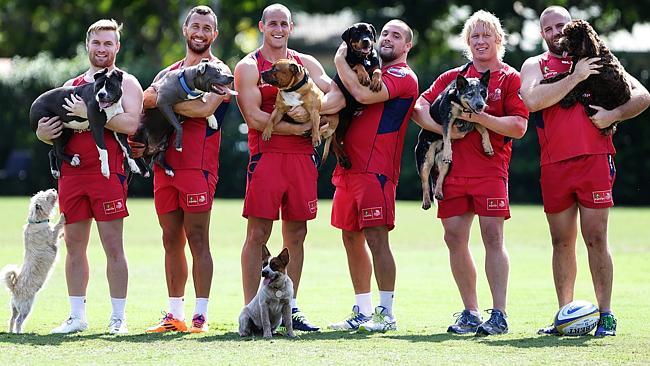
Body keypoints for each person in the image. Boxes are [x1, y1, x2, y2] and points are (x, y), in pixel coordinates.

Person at [520, 6, 650, 337]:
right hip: (554, 164)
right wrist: (575, 77)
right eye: (549, 29)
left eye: (561, 26)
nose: (556, 33)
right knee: (561, 242)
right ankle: (565, 316)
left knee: (595, 238)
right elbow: (532, 101)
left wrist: (614, 114)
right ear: (541, 34)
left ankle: (605, 314)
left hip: (594, 160)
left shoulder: (596, 55)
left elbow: (642, 95)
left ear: (573, 27)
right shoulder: (535, 65)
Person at [412, 10, 528, 336]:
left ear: (497, 40)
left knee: (493, 238)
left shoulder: (509, 78)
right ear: (468, 42)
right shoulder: (453, 78)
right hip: (451, 173)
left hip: (490, 171)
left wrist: (479, 119)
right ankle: (471, 312)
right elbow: (419, 108)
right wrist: (447, 132)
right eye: (474, 36)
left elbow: (518, 127)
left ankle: (499, 314)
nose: (480, 41)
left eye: (486, 35)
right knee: (454, 239)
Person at [234, 3, 343, 332]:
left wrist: (312, 108)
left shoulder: (305, 63)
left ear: (291, 27)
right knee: (257, 235)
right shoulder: (249, 66)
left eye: (284, 23)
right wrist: (302, 127)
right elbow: (254, 118)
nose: (278, 28)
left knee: (296, 234)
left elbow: (337, 96)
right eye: (272, 24)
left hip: (301, 160)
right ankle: (253, 310)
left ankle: (290, 309)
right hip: (267, 156)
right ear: (262, 27)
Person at [35, 19, 143, 334]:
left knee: (113, 247)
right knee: (74, 246)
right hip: (72, 173)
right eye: (97, 43)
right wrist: (43, 134)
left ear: (117, 47)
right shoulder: (73, 83)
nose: (102, 49)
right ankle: (76, 316)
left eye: (108, 43)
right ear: (88, 45)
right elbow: (54, 126)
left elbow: (131, 125)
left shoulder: (128, 82)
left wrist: (93, 114)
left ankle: (117, 319)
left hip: (107, 174)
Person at [140, 5, 231, 334]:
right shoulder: (168, 71)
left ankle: (200, 315)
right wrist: (164, 100)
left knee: (197, 238)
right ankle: (174, 313)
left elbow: (206, 106)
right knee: (169, 239)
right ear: (185, 30)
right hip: (166, 167)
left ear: (214, 35)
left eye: (207, 28)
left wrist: (166, 100)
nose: (200, 32)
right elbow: (145, 101)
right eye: (195, 26)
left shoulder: (219, 72)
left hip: (198, 166)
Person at [326, 19, 419, 333]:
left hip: (376, 169)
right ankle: (363, 310)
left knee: (377, 239)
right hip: (349, 167)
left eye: (397, 35)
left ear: (408, 46)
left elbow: (363, 96)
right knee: (350, 236)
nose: (388, 38)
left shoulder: (403, 75)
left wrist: (339, 60)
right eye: (386, 34)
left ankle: (386, 313)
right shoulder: (364, 65)